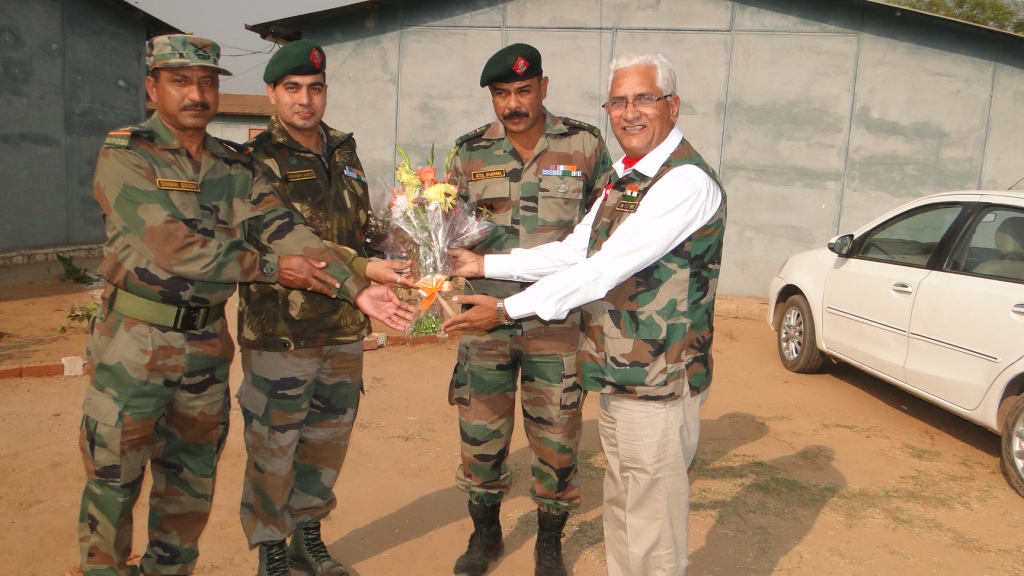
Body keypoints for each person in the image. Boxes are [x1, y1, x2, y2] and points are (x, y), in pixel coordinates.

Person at [78, 34, 413, 576]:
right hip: (134, 342)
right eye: (180, 81)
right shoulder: (127, 155)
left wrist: (355, 288)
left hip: (206, 343)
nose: (196, 94)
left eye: (207, 82)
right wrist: (272, 269)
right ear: (152, 88)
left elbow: (285, 229)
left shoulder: (233, 164)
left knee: (189, 481)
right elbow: (172, 246)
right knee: (114, 479)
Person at [442, 53, 727, 576]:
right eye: (617, 101)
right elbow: (575, 250)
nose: (629, 112)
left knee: (652, 528)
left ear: (673, 105)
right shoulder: (628, 178)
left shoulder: (683, 182)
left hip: (661, 379)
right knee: (626, 510)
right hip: (621, 375)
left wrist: (505, 309)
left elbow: (602, 270)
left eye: (643, 99)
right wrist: (483, 264)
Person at [236, 40, 415, 576]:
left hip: (340, 328)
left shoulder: (343, 151)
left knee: (327, 441)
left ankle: (306, 539)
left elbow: (359, 231)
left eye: (315, 88)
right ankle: (271, 549)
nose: (305, 99)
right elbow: (291, 238)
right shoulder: (252, 160)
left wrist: (408, 244)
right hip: (282, 330)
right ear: (271, 93)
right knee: (273, 446)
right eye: (292, 88)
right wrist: (362, 275)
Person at [445, 43, 612, 576]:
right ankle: (485, 535)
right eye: (501, 94)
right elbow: (442, 231)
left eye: (522, 90)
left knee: (557, 437)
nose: (512, 104)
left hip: (556, 322)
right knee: (481, 434)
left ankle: (549, 542)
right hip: (484, 320)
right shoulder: (469, 152)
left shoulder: (584, 144)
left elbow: (606, 230)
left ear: (543, 86)